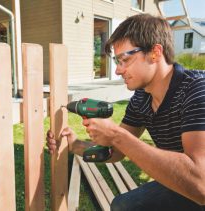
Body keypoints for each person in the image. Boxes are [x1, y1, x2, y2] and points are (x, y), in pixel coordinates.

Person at [46, 13, 205, 211]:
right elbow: (118, 151)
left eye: (124, 60)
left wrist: (116, 135)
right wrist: (75, 145)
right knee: (123, 206)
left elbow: (200, 184)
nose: (118, 71)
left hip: (199, 185)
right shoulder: (142, 97)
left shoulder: (197, 90)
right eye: (117, 61)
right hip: (183, 181)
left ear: (155, 53)